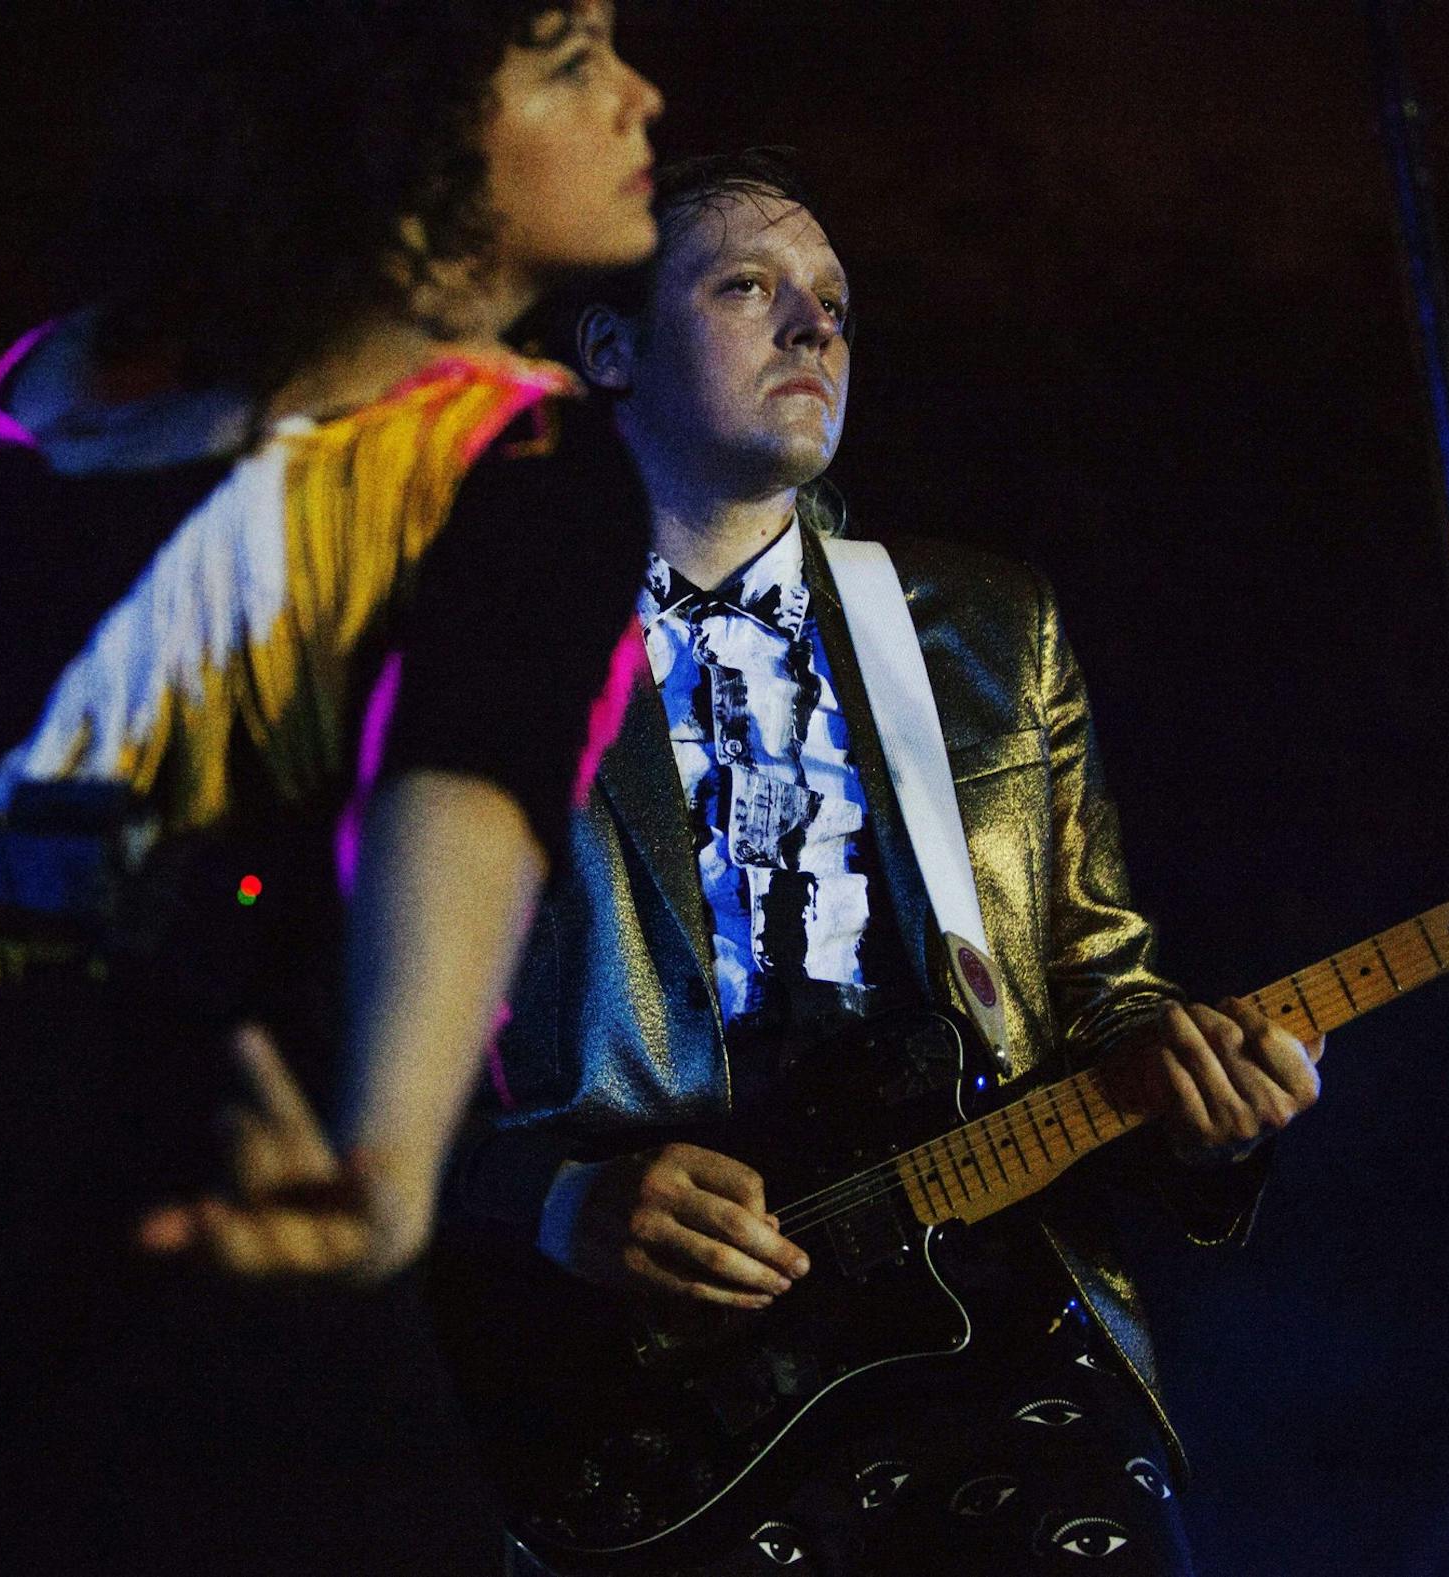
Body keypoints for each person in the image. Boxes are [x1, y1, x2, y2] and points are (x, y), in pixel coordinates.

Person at [0, 3, 662, 1572]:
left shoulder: (27, 396)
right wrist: (380, 1170)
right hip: (201, 1271)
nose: (642, 99)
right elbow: (462, 790)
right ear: (407, 118)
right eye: (569, 59)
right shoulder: (512, 454)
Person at [432, 150, 1324, 1575]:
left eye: (836, 300)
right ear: (610, 348)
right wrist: (562, 1202)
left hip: (995, 1337)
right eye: (749, 287)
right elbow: (371, 1068)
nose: (815, 327)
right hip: (648, 1400)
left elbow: (1101, 987)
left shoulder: (987, 628)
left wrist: (1203, 1109)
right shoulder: (485, 658)